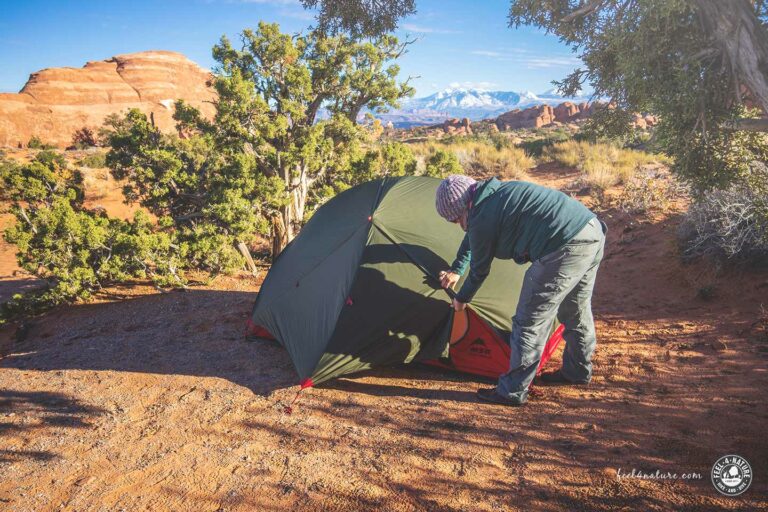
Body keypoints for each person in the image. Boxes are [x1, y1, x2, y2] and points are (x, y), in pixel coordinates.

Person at [435, 174, 606, 406]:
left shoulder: (481, 216)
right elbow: (472, 237)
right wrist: (457, 268)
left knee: (529, 320)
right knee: (575, 308)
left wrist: (462, 299)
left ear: (462, 209)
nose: (458, 225)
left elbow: (480, 269)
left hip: (562, 245)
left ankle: (512, 391)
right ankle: (577, 371)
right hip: (591, 229)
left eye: (455, 220)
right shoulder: (491, 195)